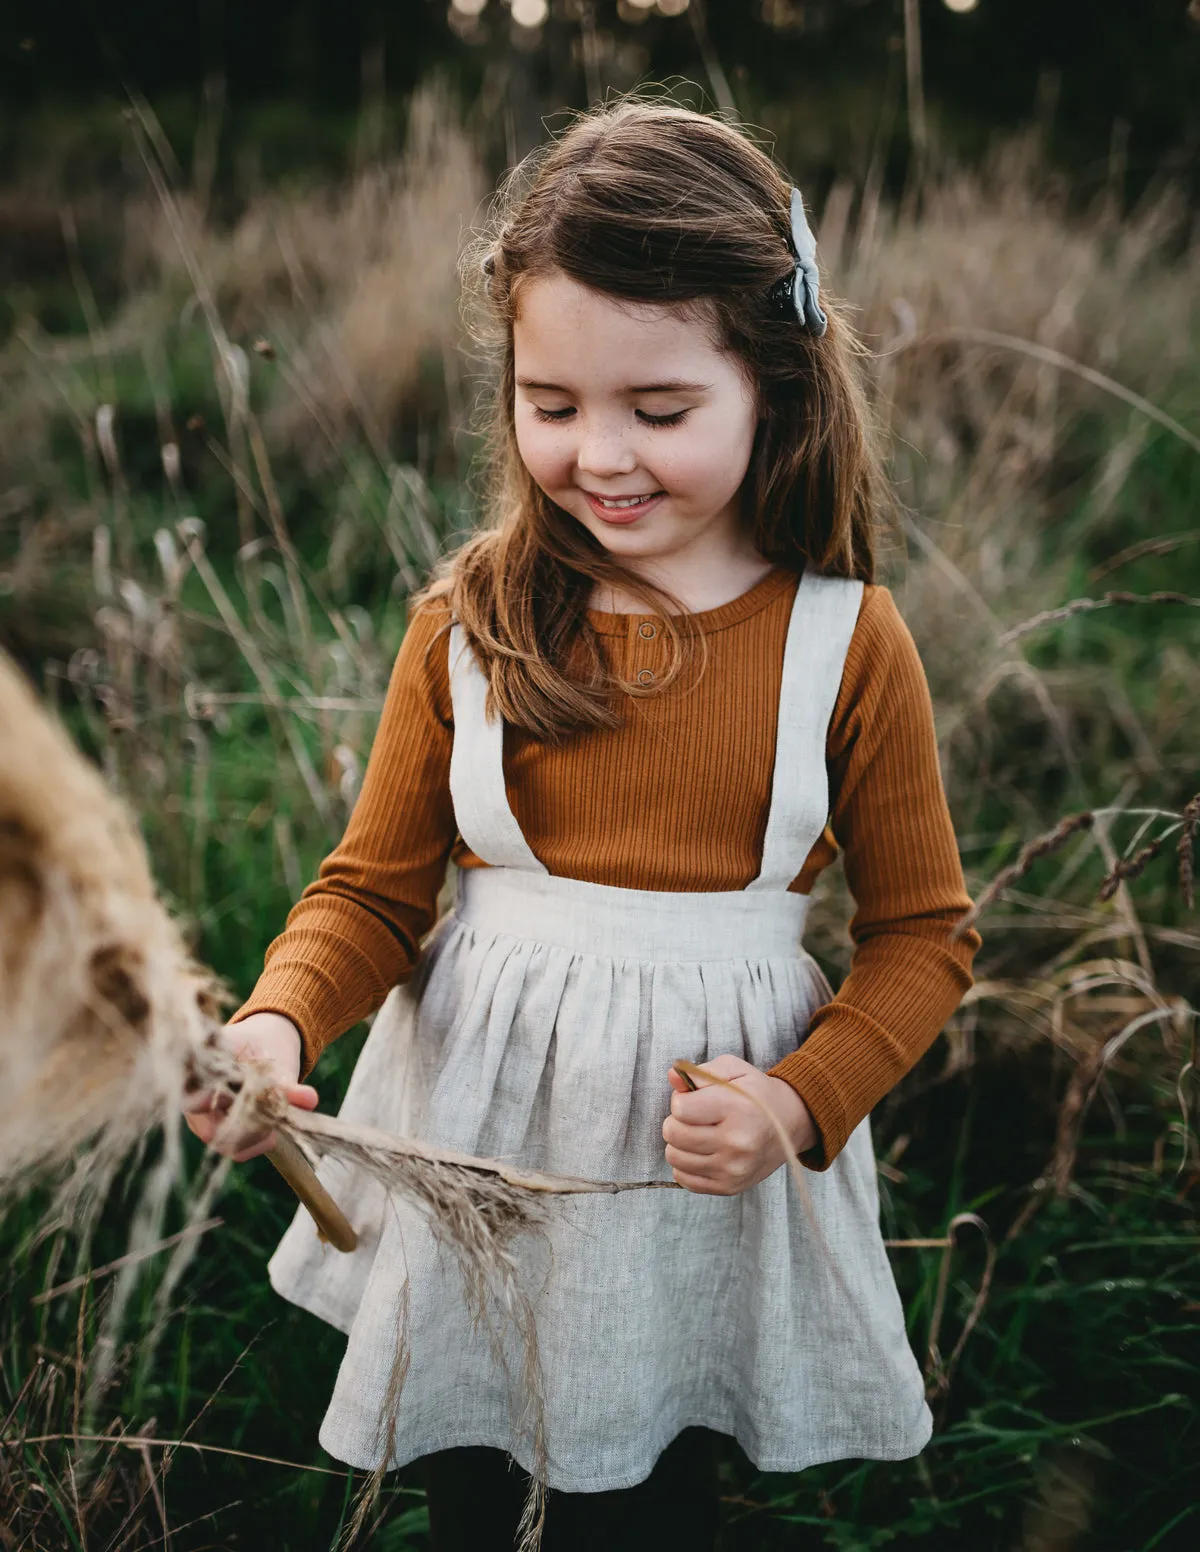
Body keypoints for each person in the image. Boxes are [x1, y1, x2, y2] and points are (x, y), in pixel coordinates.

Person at [185, 99, 980, 1550]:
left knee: (653, 1493)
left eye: (658, 412)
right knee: (473, 1482)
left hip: (691, 1179)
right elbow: (370, 893)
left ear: (776, 389)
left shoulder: (845, 646)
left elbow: (925, 935)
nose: (600, 456)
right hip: (481, 1148)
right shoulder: (473, 625)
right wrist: (279, 1028)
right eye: (551, 406)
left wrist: (800, 1101)